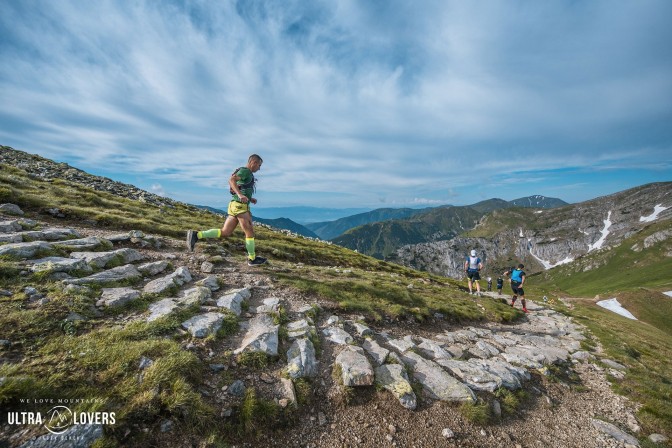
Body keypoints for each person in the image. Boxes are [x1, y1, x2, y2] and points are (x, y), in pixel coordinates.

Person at [186, 154, 267, 266]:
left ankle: (197, 235)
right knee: (250, 232)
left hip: (234, 205)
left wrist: (249, 198)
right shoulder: (246, 171)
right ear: (253, 162)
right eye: (259, 165)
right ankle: (252, 259)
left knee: (225, 232)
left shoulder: (245, 172)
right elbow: (231, 180)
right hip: (240, 206)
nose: (259, 168)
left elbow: (241, 186)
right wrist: (239, 194)